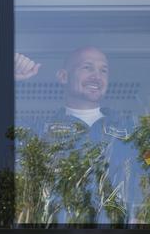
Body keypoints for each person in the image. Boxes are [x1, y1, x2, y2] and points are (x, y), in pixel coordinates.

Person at [14, 47, 141, 224]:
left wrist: (145, 217)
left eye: (103, 70)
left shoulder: (134, 132)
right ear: (63, 76)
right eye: (87, 68)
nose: (97, 76)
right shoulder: (39, 131)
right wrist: (6, 80)